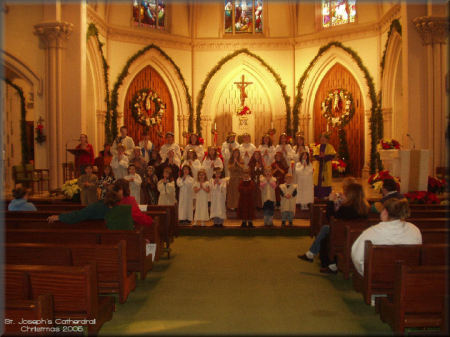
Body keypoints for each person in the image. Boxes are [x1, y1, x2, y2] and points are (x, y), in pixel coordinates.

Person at [298, 183, 370, 274]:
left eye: (344, 193)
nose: (343, 194)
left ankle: (313, 254)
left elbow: (331, 218)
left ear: (350, 195)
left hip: (342, 236)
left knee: (325, 229)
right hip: (357, 236)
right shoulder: (365, 208)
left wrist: (331, 201)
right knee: (325, 229)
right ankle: (313, 255)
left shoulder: (346, 208)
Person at [352, 198, 422, 277]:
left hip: (377, 276)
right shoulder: (414, 229)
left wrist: (367, 273)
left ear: (385, 212)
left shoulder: (371, 232)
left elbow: (357, 257)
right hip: (405, 275)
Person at [313, 133, 336, 199]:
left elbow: (332, 155)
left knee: (326, 179)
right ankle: (317, 194)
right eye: (321, 137)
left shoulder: (330, 146)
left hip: (326, 166)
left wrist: (325, 156)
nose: (322, 139)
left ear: (327, 139)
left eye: (324, 138)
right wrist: (319, 157)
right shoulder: (318, 147)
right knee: (318, 179)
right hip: (319, 166)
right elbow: (315, 155)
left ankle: (326, 194)